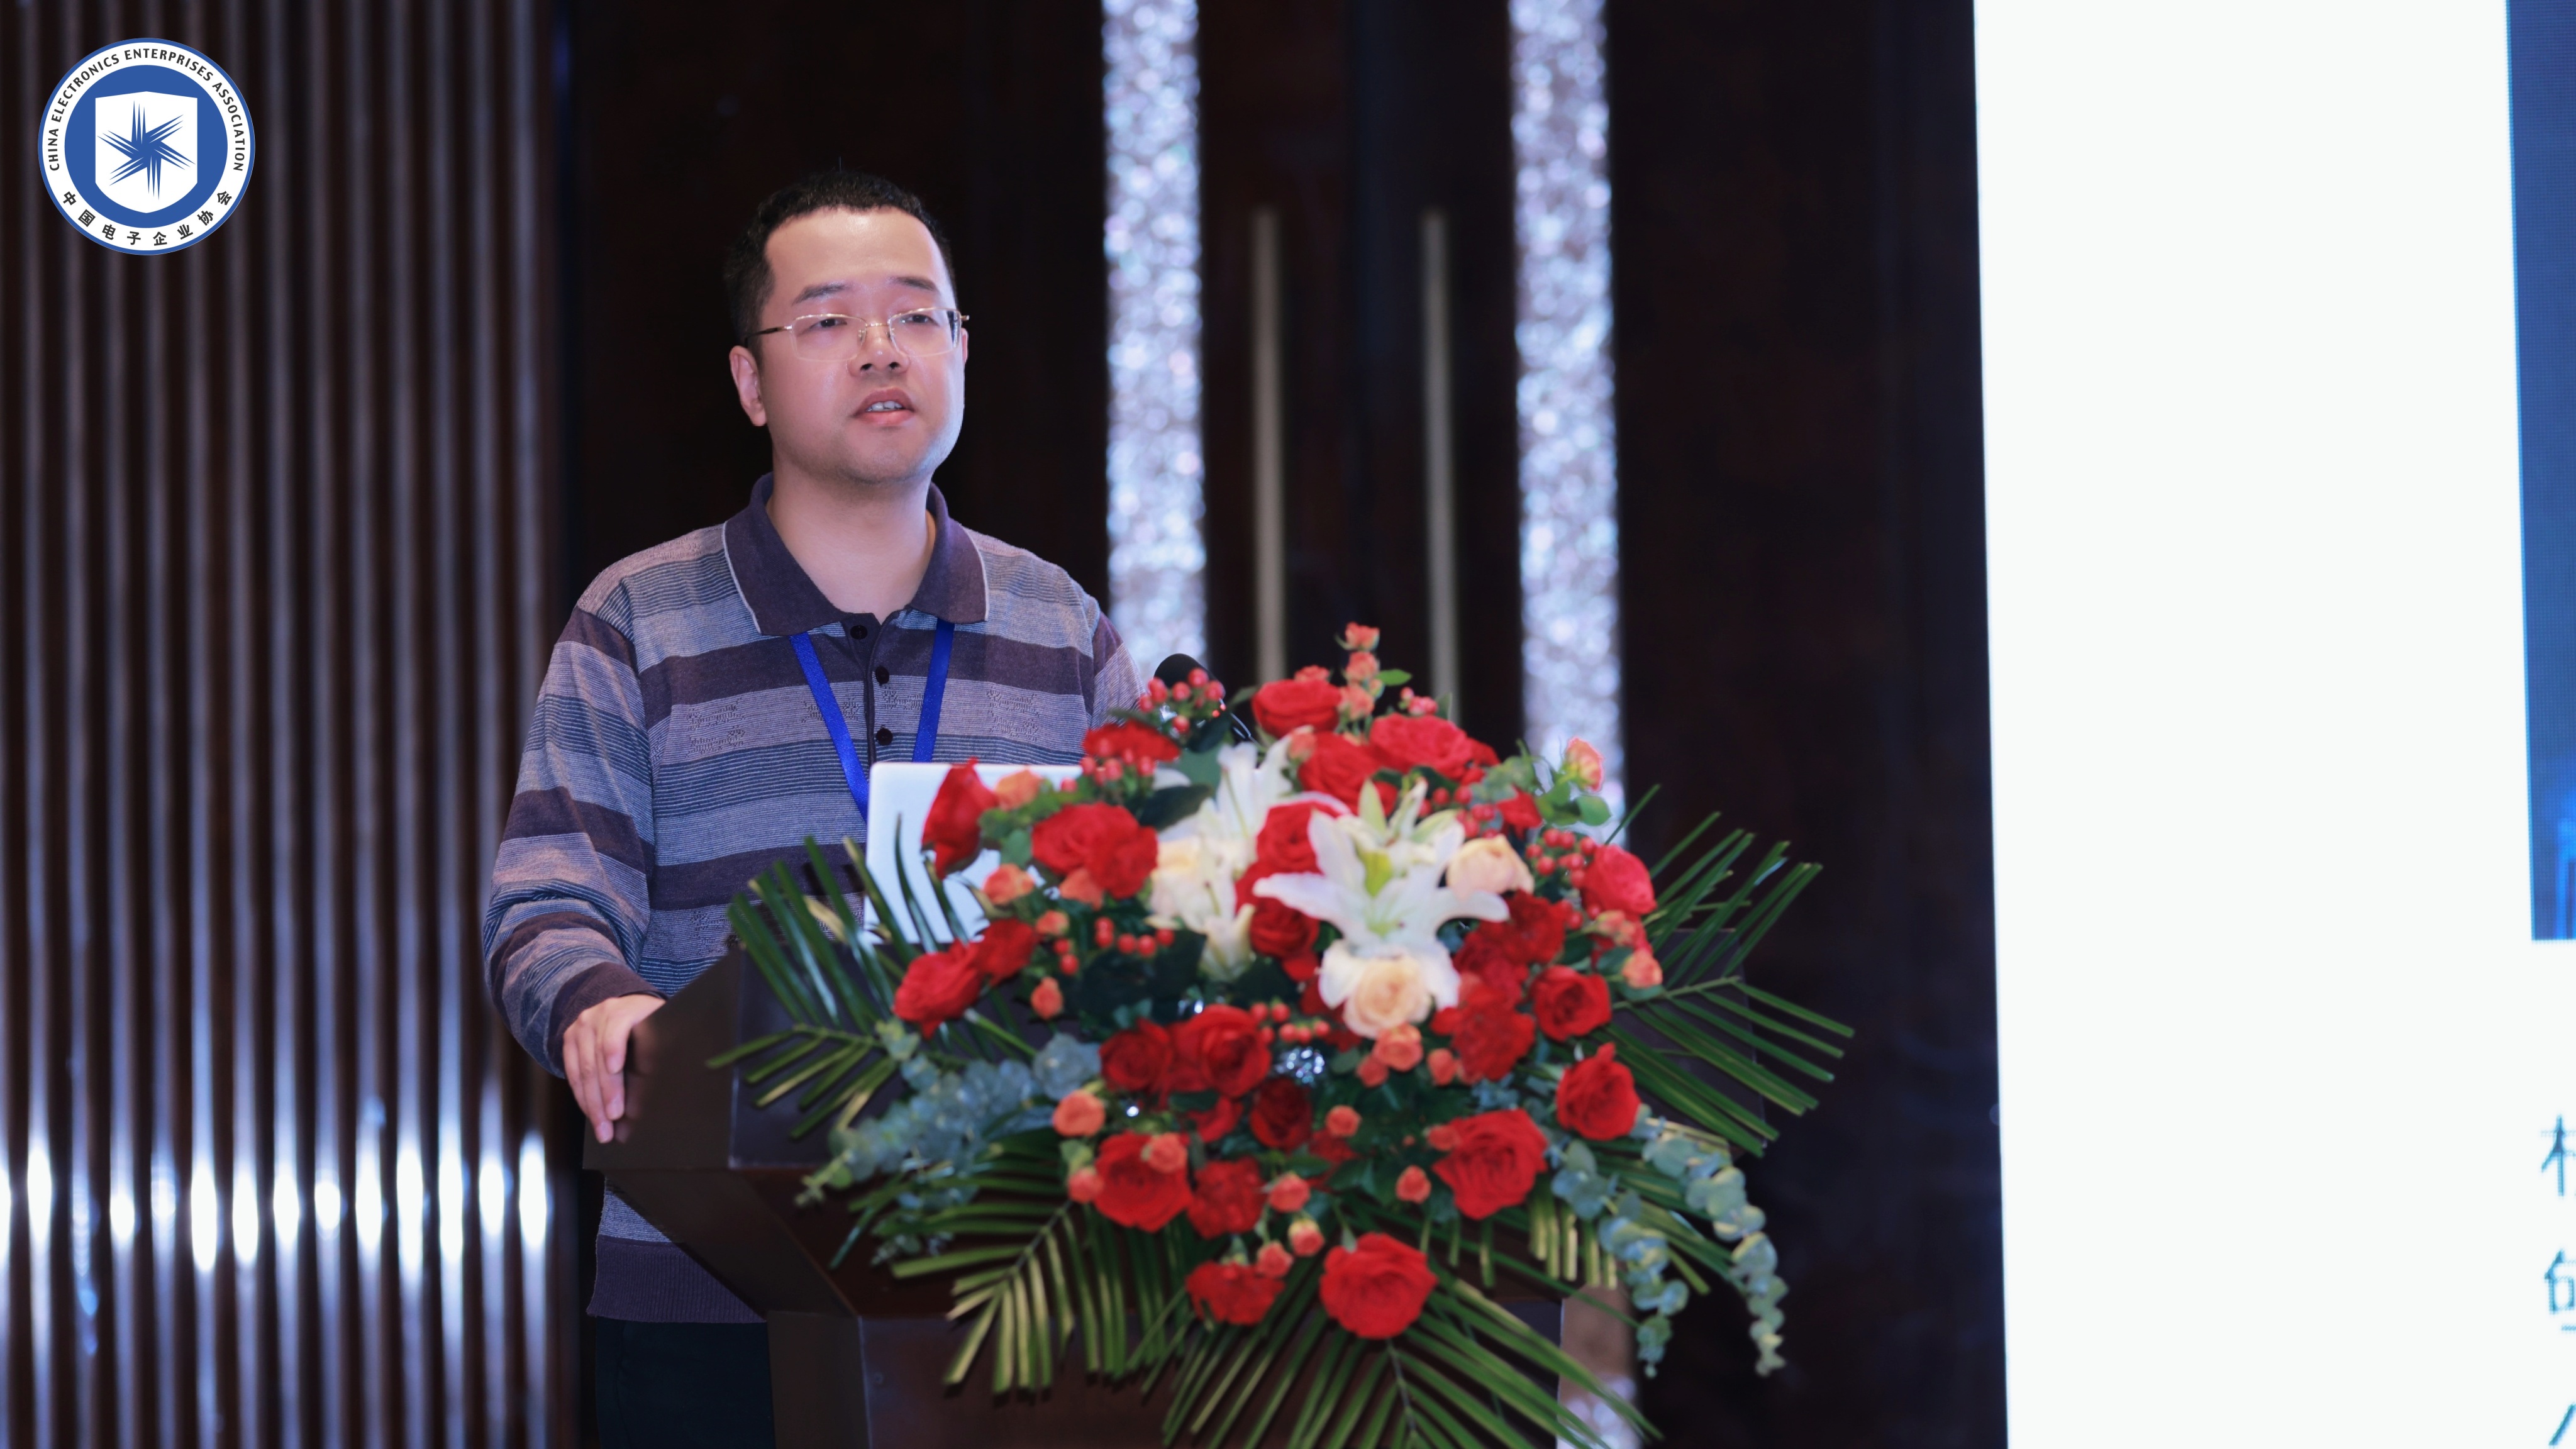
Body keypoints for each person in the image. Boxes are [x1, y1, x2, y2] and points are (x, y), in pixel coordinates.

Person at [482, 171, 1141, 1445]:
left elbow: (1148, 904)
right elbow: (547, 899)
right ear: (750, 381)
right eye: (830, 320)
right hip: (709, 1289)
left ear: (961, 352)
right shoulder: (638, 618)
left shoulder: (1061, 627)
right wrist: (598, 1002)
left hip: (1021, 1288)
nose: (882, 349)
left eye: (917, 315)